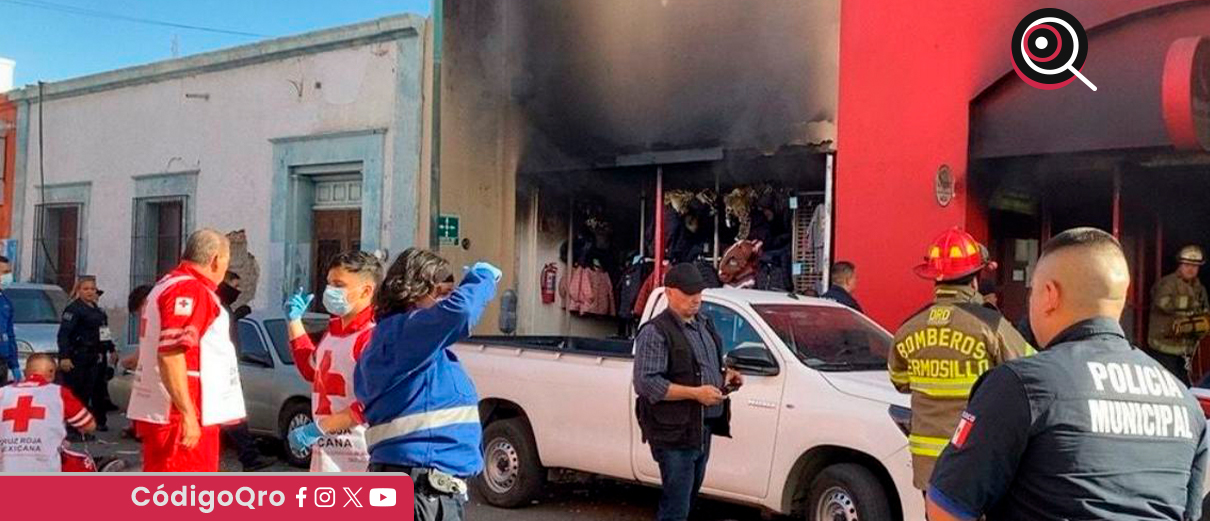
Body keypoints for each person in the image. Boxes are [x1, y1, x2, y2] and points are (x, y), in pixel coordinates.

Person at [927, 228, 1209, 521]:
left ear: (1050, 295)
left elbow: (945, 510)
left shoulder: (1021, 385)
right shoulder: (1186, 404)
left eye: (1033, 292)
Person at [355, 249, 498, 521]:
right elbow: (462, 311)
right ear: (413, 292)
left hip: (415, 485)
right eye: (442, 294)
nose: (447, 302)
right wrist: (482, 278)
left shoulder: (398, 341)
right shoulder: (405, 334)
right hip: (421, 490)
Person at [887, 227, 1033, 491]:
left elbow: (900, 381)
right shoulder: (989, 324)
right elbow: (1031, 370)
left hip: (927, 463)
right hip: (973, 457)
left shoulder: (909, 327)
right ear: (975, 281)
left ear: (935, 279)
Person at [126, 228, 246, 472]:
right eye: (227, 261)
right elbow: (171, 354)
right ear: (216, 260)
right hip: (181, 413)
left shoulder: (167, 284)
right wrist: (188, 413)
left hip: (171, 411)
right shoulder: (190, 290)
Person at [633, 263, 743, 521]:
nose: (696, 299)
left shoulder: (704, 324)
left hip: (701, 427)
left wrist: (725, 375)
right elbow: (646, 383)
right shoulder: (656, 331)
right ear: (669, 293)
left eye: (699, 293)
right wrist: (695, 394)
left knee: (688, 500)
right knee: (676, 507)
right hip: (673, 431)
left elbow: (703, 365)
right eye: (689, 293)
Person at [283, 251, 382, 472]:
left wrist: (318, 428)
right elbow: (311, 370)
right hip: (326, 456)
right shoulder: (333, 333)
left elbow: (372, 401)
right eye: (329, 283)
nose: (330, 291)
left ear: (366, 291)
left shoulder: (371, 337)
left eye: (339, 285)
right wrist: (294, 322)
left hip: (359, 457)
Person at [0, 354, 96, 471]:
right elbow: (89, 425)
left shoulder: (3, 393)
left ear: (26, 372)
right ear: (51, 373)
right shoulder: (59, 393)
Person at [57, 276, 116, 435]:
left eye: (92, 289)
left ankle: (98, 421)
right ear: (79, 291)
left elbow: (104, 332)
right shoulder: (74, 309)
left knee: (98, 389)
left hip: (97, 355)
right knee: (79, 391)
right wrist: (64, 356)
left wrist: (111, 349)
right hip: (80, 355)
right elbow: (64, 334)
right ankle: (74, 426)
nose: (90, 292)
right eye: (86, 289)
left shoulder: (98, 310)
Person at [1147, 245, 1210, 385]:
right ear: (1180, 265)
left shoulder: (1200, 289)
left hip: (1187, 350)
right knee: (1167, 385)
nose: (1191, 269)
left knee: (1186, 386)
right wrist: (1189, 302)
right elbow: (1162, 303)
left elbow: (1205, 312)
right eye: (1187, 265)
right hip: (1164, 348)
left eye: (1195, 266)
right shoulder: (1167, 283)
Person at [0, 256, 18, 387]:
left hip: (2, 360)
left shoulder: (5, 301)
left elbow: (10, 334)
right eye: (5, 272)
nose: (8, 276)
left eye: (9, 272)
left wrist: (14, 364)